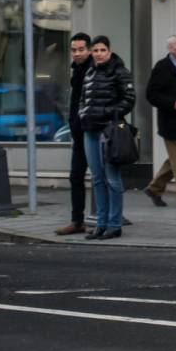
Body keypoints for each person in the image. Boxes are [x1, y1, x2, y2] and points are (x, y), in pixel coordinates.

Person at [78, 36, 136, 241]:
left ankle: (114, 224)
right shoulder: (90, 72)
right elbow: (83, 98)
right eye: (95, 50)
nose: (99, 54)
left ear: (109, 51)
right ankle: (100, 225)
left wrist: (109, 113)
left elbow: (129, 99)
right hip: (90, 131)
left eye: (102, 50)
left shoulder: (120, 71)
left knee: (112, 178)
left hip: (110, 131)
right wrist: (83, 114)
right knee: (96, 179)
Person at [144, 34, 176, 209]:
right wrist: (171, 103)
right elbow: (151, 94)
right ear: (171, 49)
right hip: (171, 121)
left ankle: (154, 188)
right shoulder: (162, 67)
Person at [55, 32, 94, 236]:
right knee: (76, 177)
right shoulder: (77, 71)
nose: (77, 54)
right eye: (74, 50)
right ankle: (77, 220)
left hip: (93, 132)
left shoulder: (93, 70)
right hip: (79, 134)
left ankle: (107, 220)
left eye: (81, 50)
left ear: (89, 50)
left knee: (101, 178)